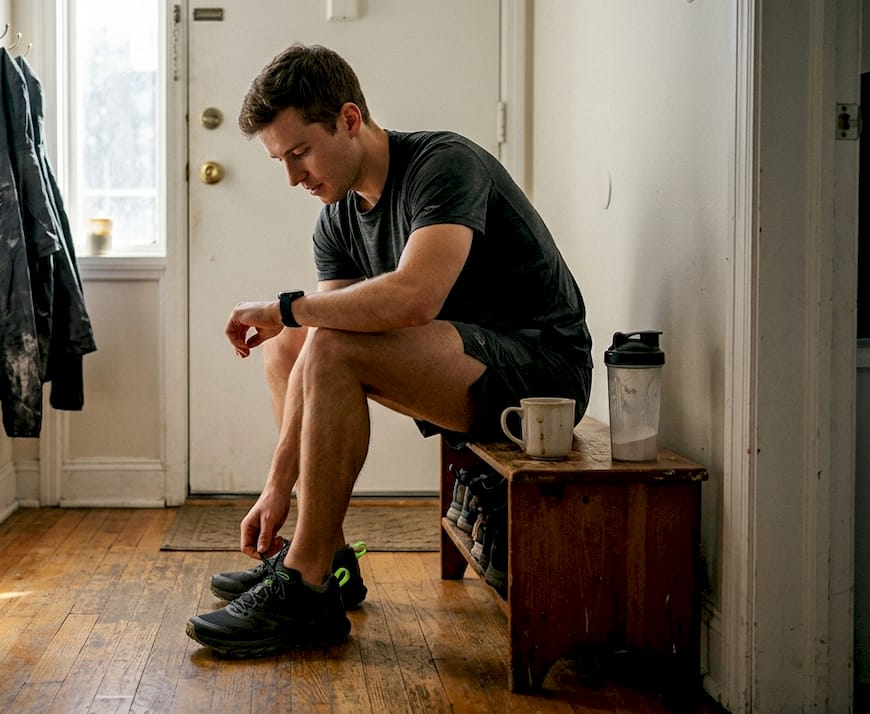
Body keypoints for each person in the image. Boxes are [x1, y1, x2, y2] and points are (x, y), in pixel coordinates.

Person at [185, 43, 592, 658]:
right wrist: (276, 487)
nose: (294, 176)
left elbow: (413, 300)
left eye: (300, 152)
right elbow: (321, 337)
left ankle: (305, 589)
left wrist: (280, 307)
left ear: (349, 119)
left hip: (541, 374)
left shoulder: (443, 164)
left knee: (312, 338)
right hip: (462, 364)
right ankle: (332, 562)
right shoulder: (337, 219)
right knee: (290, 348)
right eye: (281, 161)